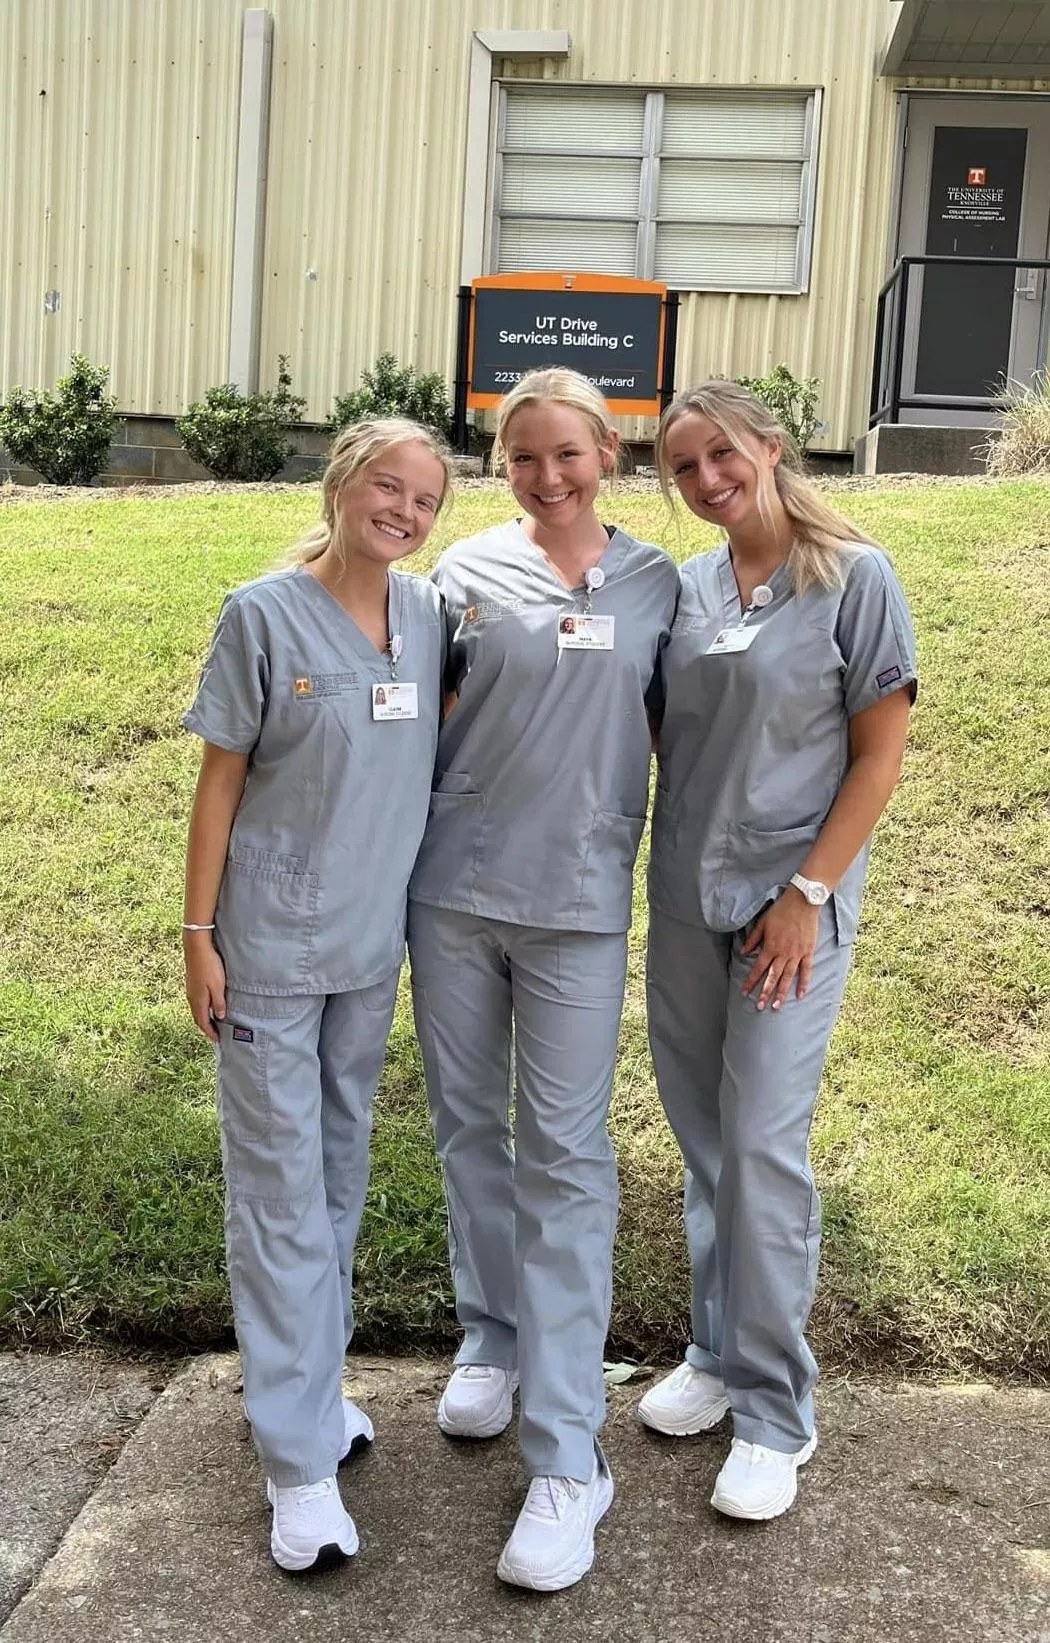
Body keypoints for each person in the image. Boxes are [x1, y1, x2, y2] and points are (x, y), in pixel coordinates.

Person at [407, 368, 678, 1590]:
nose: (547, 475)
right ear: (502, 462)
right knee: (470, 1127)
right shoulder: (459, 575)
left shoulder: (659, 583)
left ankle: (571, 1455)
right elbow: (405, 718)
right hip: (453, 892)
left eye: (567, 453)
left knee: (564, 1160)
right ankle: (493, 1333)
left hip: (576, 905)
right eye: (524, 457)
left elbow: (698, 731)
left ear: (607, 454)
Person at [637, 380, 917, 1521]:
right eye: (683, 468)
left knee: (760, 1145)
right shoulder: (689, 586)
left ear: (770, 445)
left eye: (721, 455)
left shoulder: (854, 577)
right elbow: (662, 731)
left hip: (787, 910)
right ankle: (714, 1350)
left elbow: (878, 759)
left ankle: (773, 1410)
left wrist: (807, 892)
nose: (707, 480)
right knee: (706, 1139)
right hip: (685, 899)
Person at [182, 418, 451, 1571]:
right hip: (266, 953)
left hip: (365, 952)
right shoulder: (263, 614)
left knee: (338, 1179)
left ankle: (315, 1387)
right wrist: (197, 933)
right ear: (341, 483)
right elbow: (219, 781)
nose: (404, 508)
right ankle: (296, 1465)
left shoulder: (432, 615)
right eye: (386, 485)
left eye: (427, 497)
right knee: (281, 1195)